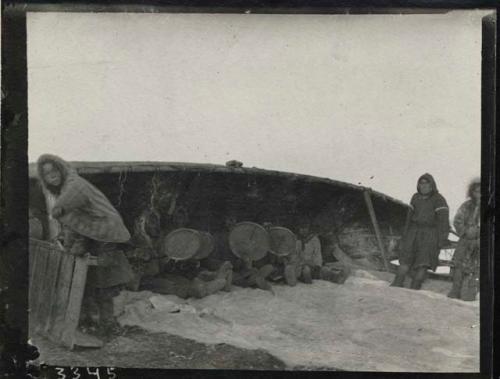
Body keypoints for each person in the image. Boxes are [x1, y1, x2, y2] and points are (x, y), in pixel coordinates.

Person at [36, 154, 135, 335]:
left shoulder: (74, 187)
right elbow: (75, 223)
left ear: (61, 169)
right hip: (92, 232)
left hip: (106, 232)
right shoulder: (66, 189)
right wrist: (70, 244)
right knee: (86, 277)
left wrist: (71, 245)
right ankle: (87, 321)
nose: (52, 175)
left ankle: (108, 324)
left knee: (104, 279)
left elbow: (65, 215)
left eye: (54, 170)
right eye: (46, 173)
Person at [391, 173, 450, 290]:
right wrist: (405, 234)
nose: (423, 186)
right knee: (405, 258)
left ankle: (415, 287)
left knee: (423, 261)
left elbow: (443, 221)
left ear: (432, 185)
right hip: (414, 232)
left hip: (430, 234)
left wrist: (441, 239)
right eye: (421, 183)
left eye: (426, 183)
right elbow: (409, 217)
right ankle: (397, 284)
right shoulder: (415, 197)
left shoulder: (439, 199)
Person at [448, 179, 481, 300]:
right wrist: (465, 231)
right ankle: (455, 291)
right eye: (476, 191)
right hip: (465, 240)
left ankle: (470, 294)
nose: (479, 194)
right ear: (472, 192)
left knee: (477, 267)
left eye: (481, 191)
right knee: (459, 265)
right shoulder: (466, 206)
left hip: (480, 243)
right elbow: (457, 220)